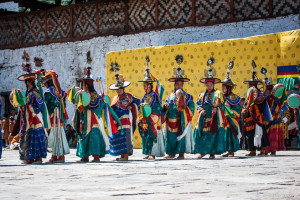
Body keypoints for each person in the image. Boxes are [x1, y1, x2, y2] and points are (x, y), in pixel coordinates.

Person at [163, 55, 195, 159]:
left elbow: (191, 108)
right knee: (170, 136)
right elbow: (166, 104)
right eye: (177, 84)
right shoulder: (170, 96)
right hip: (171, 120)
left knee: (181, 136)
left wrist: (184, 107)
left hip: (181, 119)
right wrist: (166, 106)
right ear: (175, 85)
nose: (179, 86)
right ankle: (171, 153)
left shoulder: (188, 96)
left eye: (181, 84)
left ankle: (181, 153)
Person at [193, 57, 225, 159]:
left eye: (211, 83)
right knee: (203, 136)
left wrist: (218, 109)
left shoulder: (217, 94)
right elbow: (198, 105)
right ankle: (202, 152)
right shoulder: (202, 95)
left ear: (213, 84)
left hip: (213, 119)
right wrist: (201, 111)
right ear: (205, 84)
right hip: (204, 119)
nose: (209, 85)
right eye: (207, 83)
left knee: (212, 136)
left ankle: (212, 153)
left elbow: (223, 106)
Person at [109, 62, 140, 161]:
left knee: (125, 137)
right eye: (117, 89)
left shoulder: (129, 96)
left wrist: (132, 105)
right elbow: (112, 109)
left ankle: (125, 156)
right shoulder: (115, 98)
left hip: (126, 121)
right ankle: (122, 155)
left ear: (123, 88)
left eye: (120, 89)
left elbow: (138, 101)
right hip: (118, 122)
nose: (118, 91)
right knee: (119, 138)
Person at [137, 56, 164, 160]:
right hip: (145, 120)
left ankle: (152, 153)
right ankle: (147, 153)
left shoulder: (155, 96)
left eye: (147, 86)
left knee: (151, 136)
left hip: (153, 120)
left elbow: (157, 107)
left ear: (151, 86)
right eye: (144, 86)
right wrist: (141, 118)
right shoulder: (144, 97)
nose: (145, 88)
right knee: (145, 136)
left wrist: (152, 117)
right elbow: (141, 109)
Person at [242, 60, 270, 156]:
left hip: (257, 118)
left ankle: (262, 150)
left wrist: (253, 108)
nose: (251, 86)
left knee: (259, 134)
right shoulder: (250, 95)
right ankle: (252, 150)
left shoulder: (260, 96)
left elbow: (262, 106)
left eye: (252, 84)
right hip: (251, 118)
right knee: (251, 134)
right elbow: (247, 104)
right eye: (250, 85)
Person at [42, 70, 70, 163]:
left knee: (53, 135)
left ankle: (54, 155)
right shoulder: (61, 92)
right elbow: (63, 104)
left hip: (52, 117)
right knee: (60, 135)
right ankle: (61, 156)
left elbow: (47, 106)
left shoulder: (48, 92)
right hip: (60, 116)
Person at [221, 61, 242, 157]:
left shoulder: (234, 98)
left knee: (230, 135)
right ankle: (226, 150)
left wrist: (230, 111)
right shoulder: (222, 97)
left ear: (229, 88)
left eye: (224, 87)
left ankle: (231, 151)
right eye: (222, 87)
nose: (223, 89)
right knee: (224, 136)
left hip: (231, 120)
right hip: (224, 121)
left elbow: (237, 111)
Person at [263, 69, 285, 156]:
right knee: (268, 135)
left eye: (268, 92)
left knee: (273, 135)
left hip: (275, 119)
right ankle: (267, 150)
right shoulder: (266, 100)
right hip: (268, 119)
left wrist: (270, 115)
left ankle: (273, 150)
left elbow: (276, 109)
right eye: (266, 92)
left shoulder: (275, 100)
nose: (267, 93)